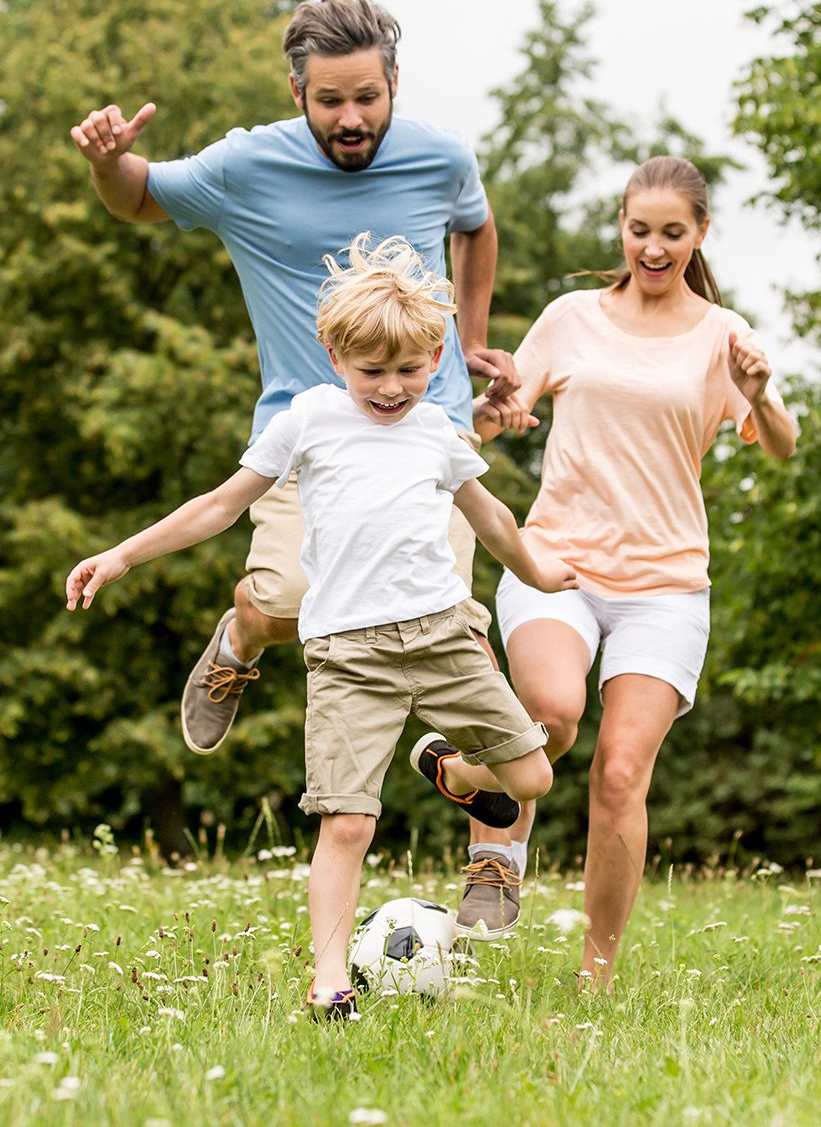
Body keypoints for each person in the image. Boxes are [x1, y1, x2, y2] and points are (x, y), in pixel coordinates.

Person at [65, 235, 577, 1016]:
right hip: (350, 656)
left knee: (533, 775)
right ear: (333, 353)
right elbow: (221, 504)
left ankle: (450, 768)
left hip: (441, 639)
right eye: (372, 371)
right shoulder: (308, 420)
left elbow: (494, 518)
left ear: (435, 356)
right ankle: (330, 980)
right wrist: (124, 555)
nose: (391, 388)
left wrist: (541, 573)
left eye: (410, 371)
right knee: (346, 824)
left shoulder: (439, 433)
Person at [68, 0, 515, 760]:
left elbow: (474, 223)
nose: (351, 118)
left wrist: (469, 340)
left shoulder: (441, 156)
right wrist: (109, 163)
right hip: (305, 440)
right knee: (289, 605)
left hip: (428, 427)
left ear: (395, 83)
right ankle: (242, 635)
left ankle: (495, 865)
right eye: (330, 99)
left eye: (367, 97)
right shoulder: (246, 166)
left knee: (459, 631)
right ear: (297, 92)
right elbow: (137, 196)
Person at [469, 156, 797, 979]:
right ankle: (496, 850)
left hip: (668, 586)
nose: (653, 248)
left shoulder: (725, 337)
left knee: (620, 771)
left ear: (700, 234)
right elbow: (496, 415)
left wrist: (756, 395)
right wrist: (492, 414)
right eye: (638, 229)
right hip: (559, 562)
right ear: (621, 225)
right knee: (552, 709)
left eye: (672, 233)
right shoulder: (572, 316)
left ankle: (597, 972)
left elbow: (785, 445)